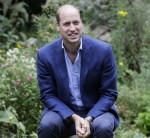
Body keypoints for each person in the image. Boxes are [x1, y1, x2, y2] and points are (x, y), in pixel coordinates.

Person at [37, 4, 119, 138]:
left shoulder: (103, 51)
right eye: (66, 24)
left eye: (76, 22)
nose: (72, 28)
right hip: (62, 113)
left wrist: (88, 118)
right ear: (57, 26)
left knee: (103, 127)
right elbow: (47, 95)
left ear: (82, 22)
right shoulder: (45, 55)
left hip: (97, 111)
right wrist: (74, 117)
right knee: (47, 125)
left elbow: (109, 93)